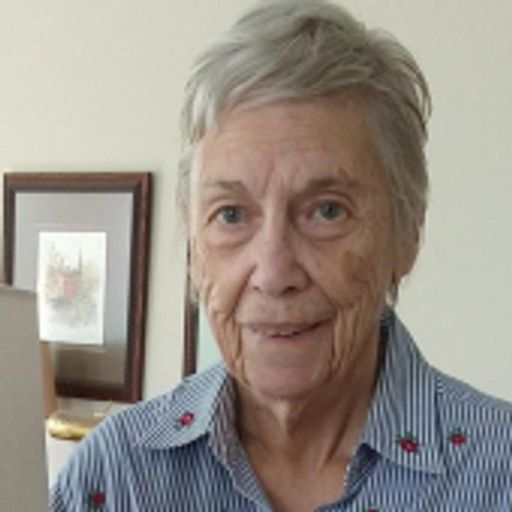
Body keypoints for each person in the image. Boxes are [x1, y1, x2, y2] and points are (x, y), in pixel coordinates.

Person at [50, 1, 512, 510]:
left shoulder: (500, 474)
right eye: (231, 214)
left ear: (407, 235)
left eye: (327, 211)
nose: (273, 273)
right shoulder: (112, 477)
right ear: (195, 249)